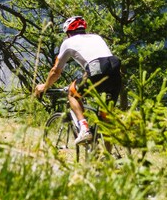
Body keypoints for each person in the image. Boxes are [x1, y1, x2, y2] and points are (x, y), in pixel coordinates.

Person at [34, 16, 122, 145]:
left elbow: (55, 71)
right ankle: (107, 160)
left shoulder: (68, 42)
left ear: (68, 32)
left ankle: (84, 129)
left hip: (97, 69)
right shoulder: (97, 37)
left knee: (72, 93)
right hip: (116, 72)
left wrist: (44, 87)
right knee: (105, 120)